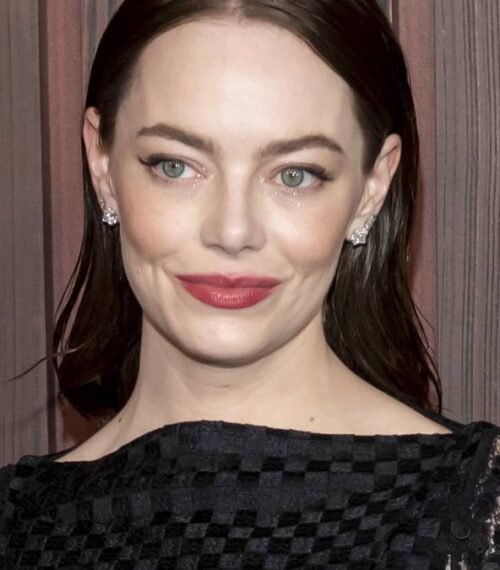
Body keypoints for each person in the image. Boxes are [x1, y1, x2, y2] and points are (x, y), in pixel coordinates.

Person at [1, 0, 499, 568]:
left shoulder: (480, 513)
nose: (232, 232)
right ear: (102, 164)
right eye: (175, 166)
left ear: (372, 188)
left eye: (295, 175)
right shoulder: (15, 529)